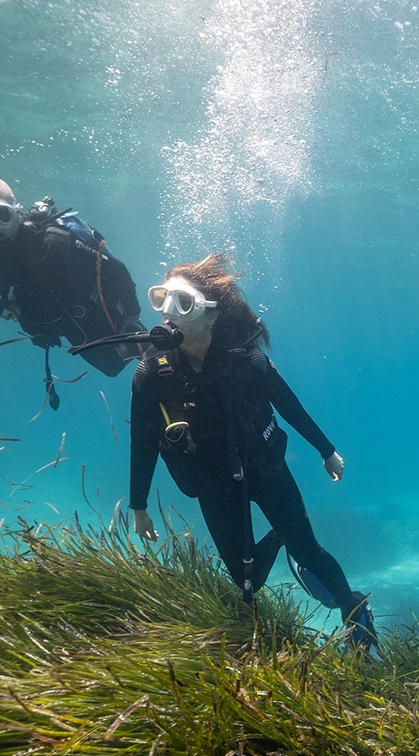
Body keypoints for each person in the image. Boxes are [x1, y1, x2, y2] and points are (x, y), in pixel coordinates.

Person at [127, 253, 377, 648]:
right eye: (161, 301)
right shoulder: (151, 373)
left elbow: (289, 405)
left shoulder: (247, 360)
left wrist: (326, 450)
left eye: (183, 303)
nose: (169, 315)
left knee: (310, 552)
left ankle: (353, 609)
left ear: (210, 315)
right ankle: (280, 536)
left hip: (266, 470)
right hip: (212, 481)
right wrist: (138, 506)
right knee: (248, 581)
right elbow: (142, 440)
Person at [0, 175, 145, 382]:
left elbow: (116, 268)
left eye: (1, 214)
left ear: (15, 210)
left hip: (100, 310)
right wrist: (30, 324)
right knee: (112, 368)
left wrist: (132, 315)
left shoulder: (53, 240)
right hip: (65, 323)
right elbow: (7, 289)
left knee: (154, 356)